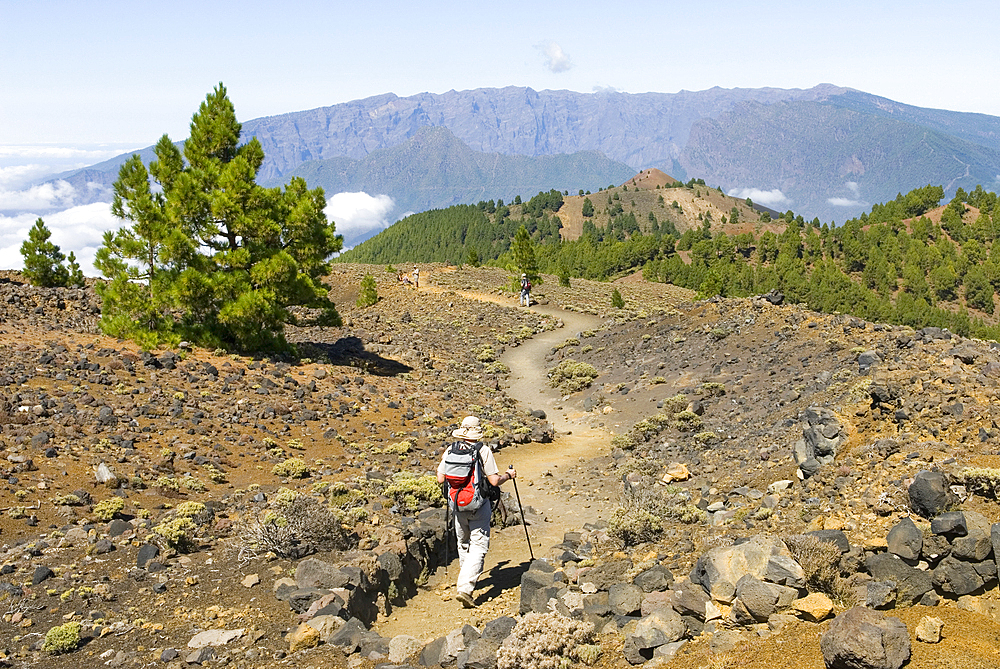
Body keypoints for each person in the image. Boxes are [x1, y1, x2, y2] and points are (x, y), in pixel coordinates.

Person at [437, 416, 516, 608]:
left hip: (457, 504)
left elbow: (440, 478)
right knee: (479, 546)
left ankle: (466, 579)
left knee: (463, 543)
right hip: (478, 505)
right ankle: (465, 588)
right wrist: (508, 475)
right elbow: (494, 481)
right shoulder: (483, 450)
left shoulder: (451, 449)